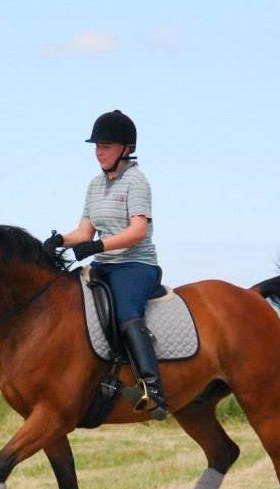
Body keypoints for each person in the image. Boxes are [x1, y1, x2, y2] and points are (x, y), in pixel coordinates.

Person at [43, 110, 167, 419]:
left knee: (126, 314)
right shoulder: (95, 185)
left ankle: (152, 388)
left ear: (126, 148)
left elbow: (137, 232)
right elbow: (84, 233)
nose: (99, 152)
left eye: (106, 146)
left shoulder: (136, 181)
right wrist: (59, 240)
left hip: (135, 265)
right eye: (97, 146)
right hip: (104, 264)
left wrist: (98, 246)